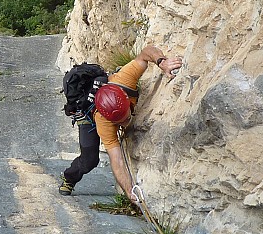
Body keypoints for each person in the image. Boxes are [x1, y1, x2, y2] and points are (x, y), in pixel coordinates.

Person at [58, 45, 182, 200]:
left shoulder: (125, 79)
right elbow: (116, 159)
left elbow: (146, 53)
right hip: (86, 114)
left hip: (108, 97)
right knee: (89, 160)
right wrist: (129, 190)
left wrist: (162, 62)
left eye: (126, 117)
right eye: (119, 122)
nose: (124, 124)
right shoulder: (103, 121)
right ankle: (68, 178)